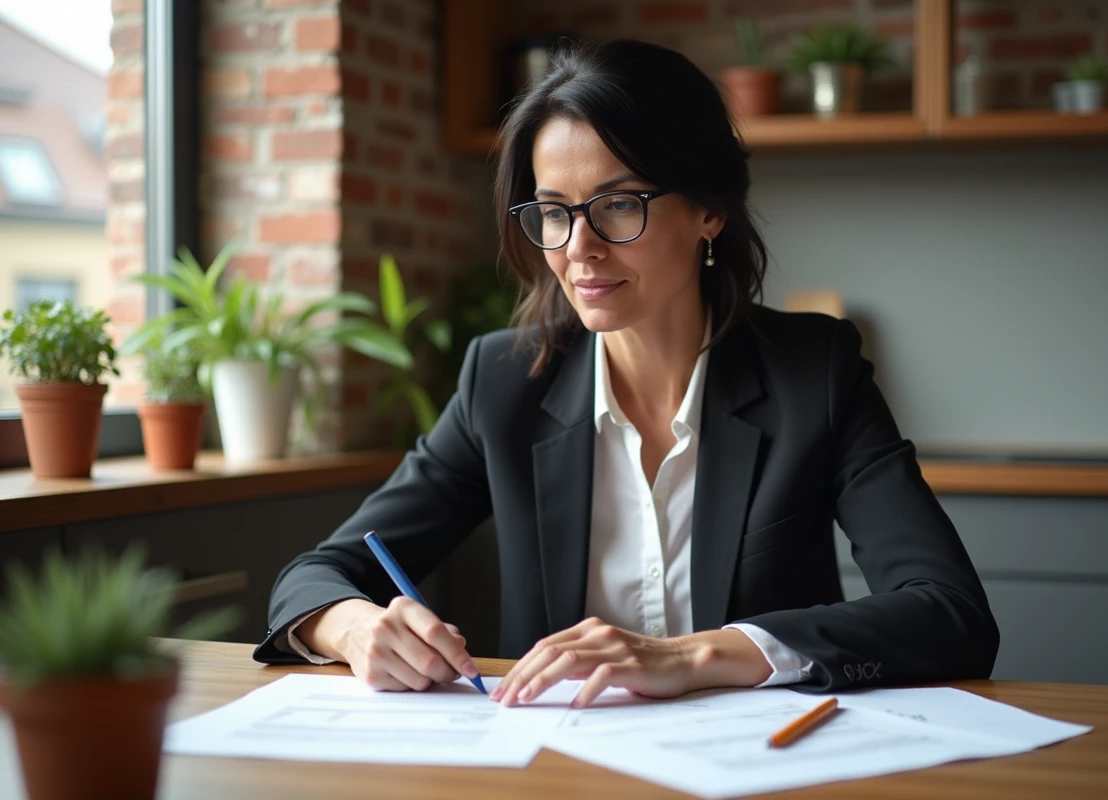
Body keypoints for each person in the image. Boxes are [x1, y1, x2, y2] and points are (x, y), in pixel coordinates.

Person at [254, 38, 999, 708]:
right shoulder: (507, 383)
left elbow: (949, 612)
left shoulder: (815, 374)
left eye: (618, 205)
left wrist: (694, 655)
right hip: (558, 774)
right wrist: (352, 629)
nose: (578, 248)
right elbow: (315, 577)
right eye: (552, 212)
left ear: (709, 210)